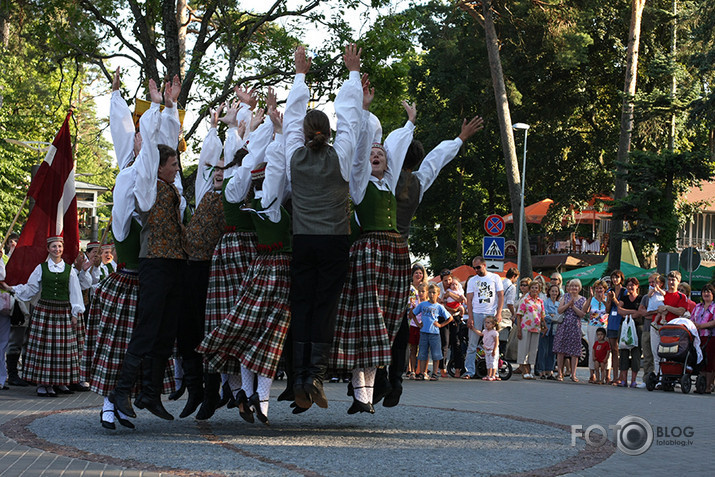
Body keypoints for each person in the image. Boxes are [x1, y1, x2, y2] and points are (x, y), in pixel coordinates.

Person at [283, 45, 364, 411]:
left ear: (304, 134)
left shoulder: (292, 157)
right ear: (328, 134)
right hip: (334, 240)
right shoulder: (340, 156)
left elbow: (290, 120)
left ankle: (298, 376)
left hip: (302, 240)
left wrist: (300, 75)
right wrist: (351, 75)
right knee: (324, 308)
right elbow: (351, 119)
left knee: (300, 305)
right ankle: (314, 375)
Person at [110, 77, 185, 421]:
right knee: (147, 329)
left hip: (173, 266)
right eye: (171, 165)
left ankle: (151, 395)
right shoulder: (145, 186)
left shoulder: (172, 188)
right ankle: (122, 391)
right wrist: (154, 108)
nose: (176, 167)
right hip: (153, 263)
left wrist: (170, 107)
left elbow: (167, 144)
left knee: (165, 332)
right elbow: (153, 149)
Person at [9, 236, 85, 397]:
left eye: (59, 246)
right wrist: (13, 289)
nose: (57, 249)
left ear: (62, 248)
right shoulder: (41, 268)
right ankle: (44, 383)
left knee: (62, 349)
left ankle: (60, 381)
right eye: (53, 247)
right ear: (48, 249)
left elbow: (75, 293)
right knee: (43, 349)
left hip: (63, 311)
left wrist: (75, 313)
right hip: (45, 312)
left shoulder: (69, 270)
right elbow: (31, 288)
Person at [462, 256, 503, 379]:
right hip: (476, 312)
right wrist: (470, 316)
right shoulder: (472, 280)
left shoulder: (495, 278)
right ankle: (469, 371)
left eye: (478, 267)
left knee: (494, 342)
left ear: (484, 265)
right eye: (474, 268)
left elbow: (501, 295)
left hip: (491, 313)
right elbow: (469, 299)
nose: (476, 270)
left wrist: (499, 313)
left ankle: (494, 371)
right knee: (472, 344)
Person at [652, 271, 688, 377]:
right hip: (656, 325)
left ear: (678, 281)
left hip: (671, 329)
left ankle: (668, 376)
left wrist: (667, 307)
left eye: (674, 280)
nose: (671, 282)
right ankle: (658, 377)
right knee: (656, 354)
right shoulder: (661, 293)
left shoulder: (681, 297)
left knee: (668, 354)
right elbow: (651, 308)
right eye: (670, 280)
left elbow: (680, 311)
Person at [411, 284, 450, 382]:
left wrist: (441, 325)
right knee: (422, 353)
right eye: (430, 292)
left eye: (434, 293)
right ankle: (421, 373)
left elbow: (450, 317)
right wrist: (418, 324)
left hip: (434, 333)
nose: (431, 294)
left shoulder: (439, 307)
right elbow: (413, 313)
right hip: (424, 332)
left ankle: (435, 373)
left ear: (438, 294)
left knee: (436, 354)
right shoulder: (423, 304)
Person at [553, 279, 587, 382]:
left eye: (576, 286)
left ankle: (573, 374)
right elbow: (559, 310)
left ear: (579, 288)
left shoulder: (583, 299)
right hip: (564, 325)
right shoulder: (565, 296)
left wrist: (573, 307)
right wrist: (568, 305)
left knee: (575, 352)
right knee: (560, 350)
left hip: (575, 326)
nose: (574, 288)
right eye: (572, 286)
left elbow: (582, 314)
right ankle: (560, 373)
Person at [616, 277, 642, 388]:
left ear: (637, 286)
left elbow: (640, 313)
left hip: (637, 327)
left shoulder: (641, 298)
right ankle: (623, 380)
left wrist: (627, 313)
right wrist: (632, 312)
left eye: (632, 285)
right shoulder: (624, 298)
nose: (630, 287)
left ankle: (634, 380)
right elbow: (619, 310)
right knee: (623, 352)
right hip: (625, 327)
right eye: (628, 285)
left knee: (636, 353)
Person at [516, 280, 544, 379]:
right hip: (525, 328)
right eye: (532, 287)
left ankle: (529, 370)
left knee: (532, 350)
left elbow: (542, 315)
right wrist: (519, 330)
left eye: (536, 288)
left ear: (539, 290)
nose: (534, 290)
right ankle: (524, 371)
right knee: (524, 349)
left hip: (536, 328)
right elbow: (519, 315)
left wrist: (543, 326)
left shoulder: (540, 301)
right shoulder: (525, 300)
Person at [692, 284, 715, 393]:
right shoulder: (698, 306)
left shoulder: (714, 307)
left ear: (713, 294)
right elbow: (692, 319)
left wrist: (701, 326)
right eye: (704, 291)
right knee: (700, 361)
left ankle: (708, 386)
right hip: (698, 337)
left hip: (710, 336)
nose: (706, 294)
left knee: (709, 361)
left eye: (708, 292)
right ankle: (700, 385)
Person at [407, 265, 428, 378]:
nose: (418, 275)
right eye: (416, 273)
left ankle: (422, 370)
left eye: (420, 273)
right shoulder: (409, 288)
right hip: (410, 320)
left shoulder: (425, 287)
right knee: (412, 347)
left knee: (423, 347)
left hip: (423, 322)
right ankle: (411, 369)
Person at [585, 280, 608, 383]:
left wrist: (603, 301)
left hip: (605, 326)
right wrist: (590, 297)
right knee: (592, 349)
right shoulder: (592, 299)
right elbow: (585, 310)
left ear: (604, 289)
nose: (599, 290)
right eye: (597, 288)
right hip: (593, 326)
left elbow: (609, 310)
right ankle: (592, 374)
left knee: (606, 350)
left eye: (601, 288)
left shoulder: (607, 299)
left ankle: (606, 374)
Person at [536, 283, 560, 380]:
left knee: (552, 350)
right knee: (543, 350)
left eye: (556, 291)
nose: (554, 293)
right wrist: (552, 317)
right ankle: (541, 370)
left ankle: (549, 370)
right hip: (545, 328)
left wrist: (553, 316)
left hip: (555, 329)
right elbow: (544, 315)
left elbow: (560, 316)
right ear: (549, 292)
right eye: (552, 291)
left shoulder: (559, 304)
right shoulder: (545, 302)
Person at [605, 270, 626, 384]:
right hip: (612, 320)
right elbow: (607, 309)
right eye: (613, 277)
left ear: (621, 279)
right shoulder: (610, 291)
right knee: (613, 349)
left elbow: (621, 306)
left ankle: (621, 376)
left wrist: (614, 299)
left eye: (617, 277)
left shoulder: (624, 291)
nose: (615, 280)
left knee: (620, 349)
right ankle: (614, 376)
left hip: (621, 320)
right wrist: (609, 299)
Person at [481, 316, 500, 381]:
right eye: (485, 322)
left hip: (492, 349)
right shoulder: (485, 331)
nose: (486, 324)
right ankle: (488, 375)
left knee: (493, 363)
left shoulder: (494, 333)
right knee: (488, 362)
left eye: (488, 322)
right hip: (487, 349)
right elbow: (480, 334)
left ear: (493, 324)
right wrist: (473, 329)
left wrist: (494, 350)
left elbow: (496, 342)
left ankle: (493, 375)